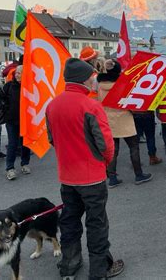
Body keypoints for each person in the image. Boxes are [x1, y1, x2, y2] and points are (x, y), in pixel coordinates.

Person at [46, 58, 124, 280]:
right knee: (96, 223)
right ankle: (100, 270)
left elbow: (52, 138)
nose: (95, 81)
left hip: (67, 175)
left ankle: (69, 265)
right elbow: (106, 144)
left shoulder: (53, 105)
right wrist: (105, 163)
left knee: (69, 221)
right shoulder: (90, 105)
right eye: (92, 78)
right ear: (84, 79)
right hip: (92, 177)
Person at [97, 59, 153, 187]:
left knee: (113, 150)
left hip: (109, 120)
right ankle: (139, 175)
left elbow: (99, 102)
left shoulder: (100, 86)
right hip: (125, 119)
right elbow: (129, 104)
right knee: (134, 147)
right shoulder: (122, 85)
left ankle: (112, 178)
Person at [0, 65, 31, 180]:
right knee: (12, 143)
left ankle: (25, 163)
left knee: (25, 143)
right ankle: (10, 168)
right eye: (16, 73)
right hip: (12, 120)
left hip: (26, 120)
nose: (17, 75)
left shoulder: (29, 87)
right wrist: (5, 107)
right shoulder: (9, 86)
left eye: (20, 73)